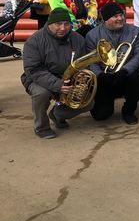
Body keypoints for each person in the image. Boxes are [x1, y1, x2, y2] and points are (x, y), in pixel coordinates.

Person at [20, 8, 92, 139]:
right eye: (58, 24)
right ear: (49, 24)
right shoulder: (34, 41)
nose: (63, 28)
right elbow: (33, 69)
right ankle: (41, 127)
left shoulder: (78, 39)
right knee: (42, 93)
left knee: (88, 100)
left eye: (66, 24)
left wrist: (81, 76)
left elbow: (83, 63)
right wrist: (58, 85)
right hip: (37, 79)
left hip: (67, 78)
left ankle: (57, 114)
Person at [85, 2, 139, 124]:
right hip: (104, 77)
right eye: (115, 16)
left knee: (137, 78)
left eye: (121, 15)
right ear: (105, 19)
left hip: (126, 75)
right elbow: (91, 61)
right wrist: (100, 75)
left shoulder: (135, 31)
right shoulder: (92, 35)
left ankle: (128, 111)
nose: (120, 18)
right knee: (100, 115)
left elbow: (138, 56)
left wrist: (125, 71)